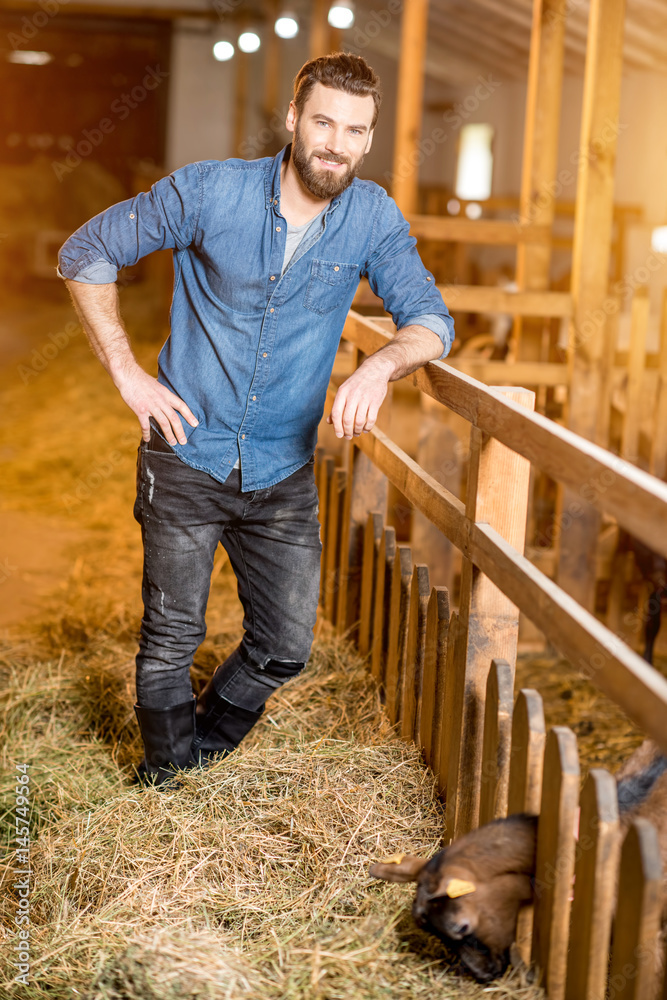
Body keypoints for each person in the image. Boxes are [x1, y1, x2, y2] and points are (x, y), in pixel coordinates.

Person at [57, 52, 455, 786]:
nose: (336, 142)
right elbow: (86, 252)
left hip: (281, 470)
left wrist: (377, 364)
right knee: (172, 636)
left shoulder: (372, 217)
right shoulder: (211, 190)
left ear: (367, 141)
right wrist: (127, 373)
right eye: (324, 121)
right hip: (185, 451)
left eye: (354, 130)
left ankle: (201, 750)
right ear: (294, 120)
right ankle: (166, 783)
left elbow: (431, 319)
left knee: (286, 645)